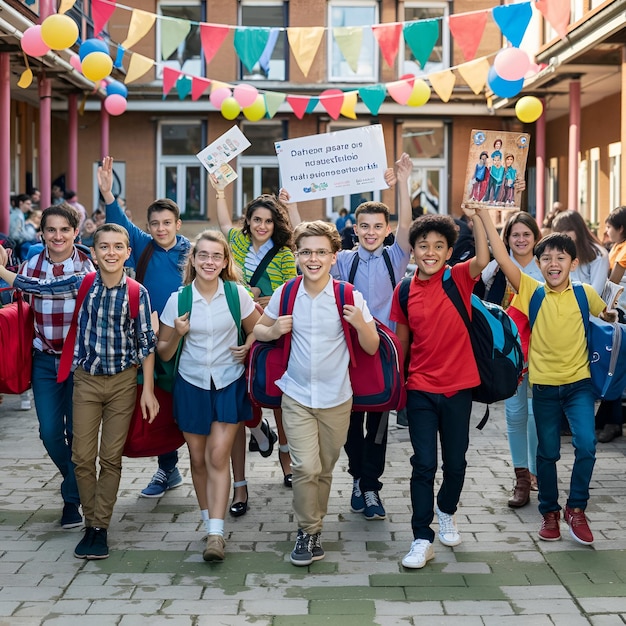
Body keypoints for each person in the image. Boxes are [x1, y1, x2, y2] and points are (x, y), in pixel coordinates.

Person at [0, 223, 158, 560]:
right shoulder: (81, 283)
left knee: (110, 458)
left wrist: (148, 391)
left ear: (127, 252)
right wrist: (2, 270)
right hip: (85, 381)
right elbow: (35, 285)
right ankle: (90, 518)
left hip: (122, 384)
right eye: (104, 247)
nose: (111, 252)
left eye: (118, 247)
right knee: (82, 456)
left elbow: (146, 342)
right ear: (94, 252)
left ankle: (98, 527)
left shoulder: (137, 293)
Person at [476, 207, 614, 546]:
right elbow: (503, 257)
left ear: (572, 262)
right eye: (547, 258)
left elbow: (608, 316)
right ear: (538, 264)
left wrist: (611, 313)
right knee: (548, 453)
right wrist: (482, 214)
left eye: (561, 258)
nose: (554, 264)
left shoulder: (585, 294)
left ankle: (576, 509)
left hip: (580, 385)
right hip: (545, 387)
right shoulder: (531, 291)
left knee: (587, 444)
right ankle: (550, 512)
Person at [284, 155, 409, 519]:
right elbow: (307, 246)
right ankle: (358, 478)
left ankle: (372, 486)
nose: (371, 232)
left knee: (379, 425)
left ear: (387, 229)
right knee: (352, 421)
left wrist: (402, 182)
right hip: (348, 352)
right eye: (364, 226)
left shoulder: (395, 257)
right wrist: (292, 206)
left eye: (378, 226)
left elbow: (408, 225)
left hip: (381, 352)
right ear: (354, 229)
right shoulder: (344, 261)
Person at [254, 220, 379, 566]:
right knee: (305, 467)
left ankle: (315, 524)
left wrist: (360, 324)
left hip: (338, 398)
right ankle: (307, 531)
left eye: (321, 252)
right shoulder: (286, 293)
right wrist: (273, 328)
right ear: (296, 255)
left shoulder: (348, 294)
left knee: (324, 469)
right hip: (295, 395)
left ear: (334, 256)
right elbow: (260, 332)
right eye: (306, 251)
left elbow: (371, 346)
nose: (313, 258)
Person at [389, 212, 490, 569]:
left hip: (458, 388)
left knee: (456, 462)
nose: (430, 252)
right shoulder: (403, 291)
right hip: (419, 389)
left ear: (449, 251)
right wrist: (397, 388)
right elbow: (402, 344)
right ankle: (421, 536)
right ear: (413, 251)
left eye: (438, 246)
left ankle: (447, 510)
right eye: (423, 246)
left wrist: (480, 216)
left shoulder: (458, 278)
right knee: (423, 464)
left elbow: (483, 258)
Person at [158, 230, 261, 562]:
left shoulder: (237, 295)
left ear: (225, 261)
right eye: (203, 255)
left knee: (218, 455)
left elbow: (258, 329)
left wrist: (248, 347)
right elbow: (163, 351)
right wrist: (178, 333)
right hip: (191, 384)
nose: (209, 261)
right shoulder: (178, 299)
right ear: (193, 259)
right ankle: (208, 521)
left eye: (216, 256)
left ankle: (216, 534)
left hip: (228, 383)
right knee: (198, 458)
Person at [98, 155, 191, 499]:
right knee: (158, 403)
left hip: (188, 336)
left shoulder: (193, 253)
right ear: (149, 226)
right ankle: (168, 468)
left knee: (187, 400)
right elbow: (118, 220)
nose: (161, 228)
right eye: (155, 223)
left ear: (178, 224)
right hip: (150, 336)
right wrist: (108, 194)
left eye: (168, 222)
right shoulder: (142, 247)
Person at [213, 180, 296, 516]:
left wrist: (259, 300)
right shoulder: (235, 241)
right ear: (246, 221)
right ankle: (240, 486)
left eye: (268, 221)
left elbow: (290, 290)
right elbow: (221, 223)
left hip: (271, 333)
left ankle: (287, 463)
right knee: (239, 405)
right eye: (256, 219)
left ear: (276, 225)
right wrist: (220, 192)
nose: (261, 226)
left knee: (278, 400)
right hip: (233, 331)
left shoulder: (286, 254)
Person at [13, 204, 94, 528]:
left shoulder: (89, 266)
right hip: (44, 360)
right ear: (42, 233)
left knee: (78, 434)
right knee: (49, 433)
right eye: (51, 230)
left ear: (76, 231)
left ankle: (72, 501)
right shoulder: (30, 264)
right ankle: (78, 481)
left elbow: (49, 290)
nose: (57, 236)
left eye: (64, 229)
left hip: (80, 362)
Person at [481, 212, 543, 506]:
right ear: (507, 239)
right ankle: (521, 479)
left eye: (526, 234)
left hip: (544, 352)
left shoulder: (548, 265)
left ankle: (536, 473)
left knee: (536, 414)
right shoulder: (497, 267)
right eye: (515, 235)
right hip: (509, 353)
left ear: (536, 237)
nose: (520, 240)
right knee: (515, 414)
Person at [595, 206, 626, 443]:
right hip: (614, 313)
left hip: (621, 315)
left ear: (621, 228)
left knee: (613, 368)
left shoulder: (623, 251)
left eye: (609, 227)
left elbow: (612, 282)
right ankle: (607, 418)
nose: (606, 231)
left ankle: (613, 421)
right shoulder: (616, 247)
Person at [552, 210, 609, 296]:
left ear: (578, 229)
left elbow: (596, 292)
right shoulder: (560, 251)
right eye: (558, 232)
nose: (562, 235)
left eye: (567, 230)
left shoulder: (598, 254)